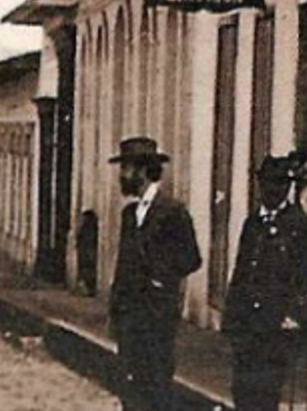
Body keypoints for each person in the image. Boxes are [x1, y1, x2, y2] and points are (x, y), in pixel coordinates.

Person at [108, 137, 202, 411]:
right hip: (129, 317)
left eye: (126, 168)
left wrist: (159, 279)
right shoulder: (129, 214)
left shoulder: (173, 212)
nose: (121, 176)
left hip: (156, 317)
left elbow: (191, 258)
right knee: (131, 389)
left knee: (156, 386)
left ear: (143, 170)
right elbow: (123, 264)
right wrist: (116, 307)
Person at [224, 155, 307, 411]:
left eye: (280, 184)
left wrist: (295, 315)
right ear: (260, 185)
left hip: (276, 325)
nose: (273, 190)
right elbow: (241, 271)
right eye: (268, 183)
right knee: (242, 390)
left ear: (288, 187)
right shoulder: (252, 224)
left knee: (266, 391)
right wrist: (231, 316)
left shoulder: (300, 226)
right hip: (247, 324)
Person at [77, 210, 99, 297]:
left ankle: (89, 288)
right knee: (86, 269)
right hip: (85, 251)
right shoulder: (86, 230)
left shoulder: (89, 230)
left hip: (88, 251)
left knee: (87, 269)